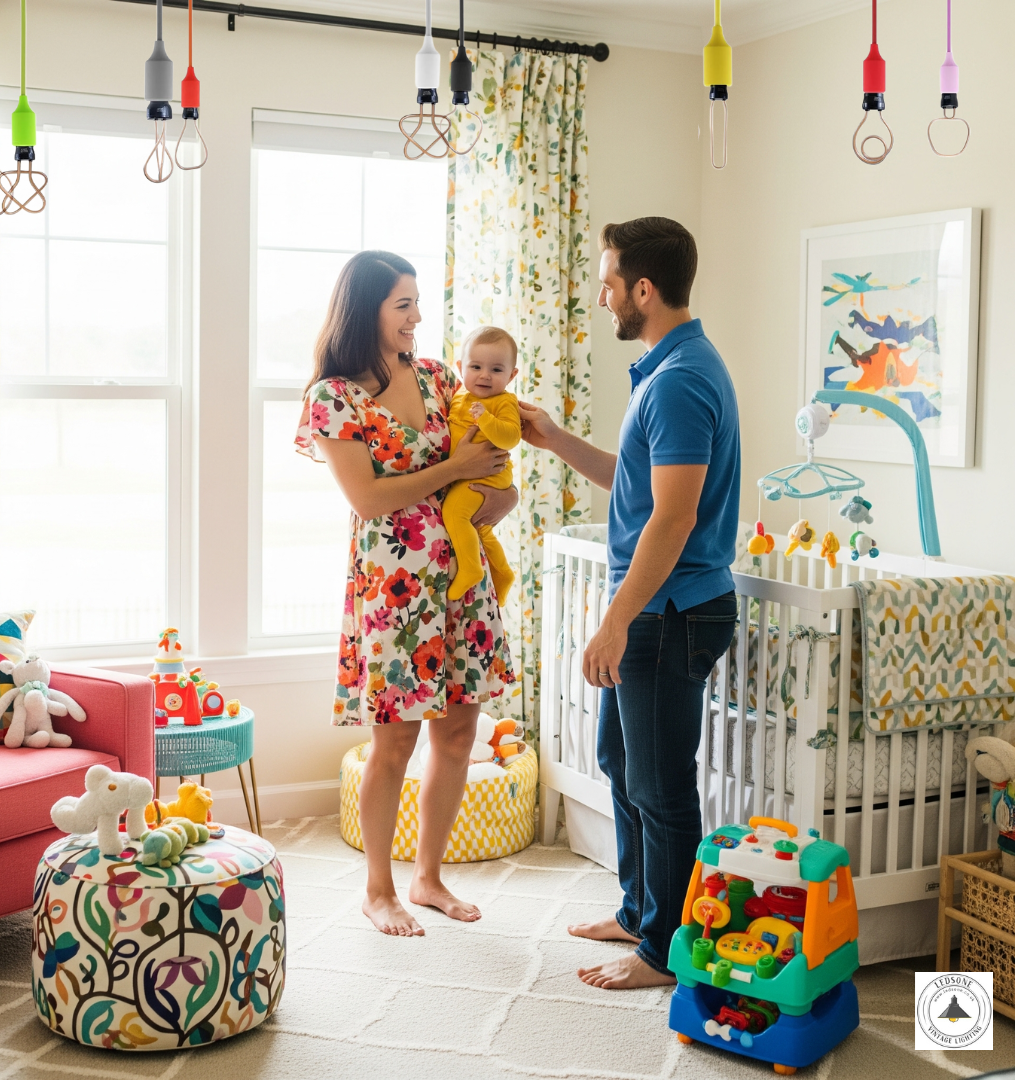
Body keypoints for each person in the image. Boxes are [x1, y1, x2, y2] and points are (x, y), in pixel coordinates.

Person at [519, 217, 740, 988]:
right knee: (621, 762)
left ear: (644, 289)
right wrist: (552, 438)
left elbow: (673, 517)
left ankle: (666, 949)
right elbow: (639, 481)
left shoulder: (679, 382)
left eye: (610, 280)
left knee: (660, 783)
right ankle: (640, 910)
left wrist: (616, 621)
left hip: (670, 613)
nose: (603, 293)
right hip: (655, 608)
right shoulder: (665, 368)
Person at [296, 250, 517, 937]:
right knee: (392, 744)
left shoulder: (438, 377)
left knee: (457, 733)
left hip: (462, 577)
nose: (418, 317)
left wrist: (495, 496)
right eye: (403, 305)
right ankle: (378, 889)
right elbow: (367, 497)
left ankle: (428, 879)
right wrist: (455, 468)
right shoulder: (334, 397)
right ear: (367, 311)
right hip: (394, 588)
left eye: (418, 303)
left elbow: (493, 477)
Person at [442, 326, 521, 605]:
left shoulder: (503, 401)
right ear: (461, 367)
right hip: (467, 474)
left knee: (454, 512)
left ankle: (471, 569)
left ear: (512, 375)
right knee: (481, 528)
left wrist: (485, 419)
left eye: (497, 370)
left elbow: (511, 437)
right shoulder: (459, 396)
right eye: (476, 366)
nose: (485, 375)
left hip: (490, 475)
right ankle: (503, 573)